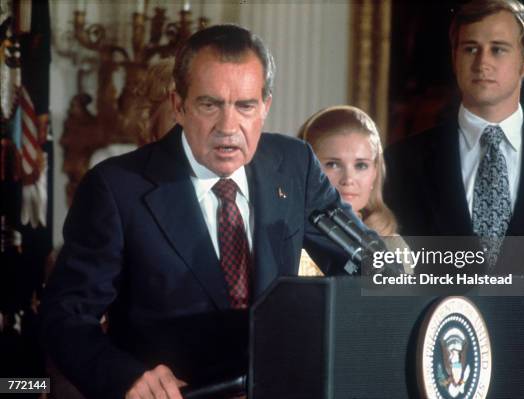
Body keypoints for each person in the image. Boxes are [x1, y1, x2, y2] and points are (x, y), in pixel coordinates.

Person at [41, 24, 360, 399]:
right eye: (210, 105)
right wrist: (125, 377)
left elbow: (360, 259)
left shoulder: (295, 165)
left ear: (265, 107)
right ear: (179, 106)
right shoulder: (115, 188)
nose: (228, 127)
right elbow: (65, 316)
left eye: (245, 106)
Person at [384, 0, 524, 396]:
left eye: (498, 49)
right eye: (470, 48)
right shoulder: (404, 162)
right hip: (437, 378)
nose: (482, 61)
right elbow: (394, 284)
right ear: (454, 57)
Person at [299, 105, 410, 276]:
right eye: (333, 164)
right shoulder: (288, 239)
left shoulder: (392, 246)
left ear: (375, 173)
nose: (348, 179)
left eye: (361, 165)